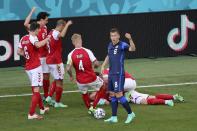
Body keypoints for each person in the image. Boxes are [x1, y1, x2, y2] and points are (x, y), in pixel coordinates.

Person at [101, 28, 136, 124]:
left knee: (119, 94)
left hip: (119, 74)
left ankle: (130, 114)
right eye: (112, 36)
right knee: (112, 95)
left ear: (118, 36)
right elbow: (108, 55)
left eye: (115, 35)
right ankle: (114, 117)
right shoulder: (109, 45)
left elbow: (132, 49)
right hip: (111, 74)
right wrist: (103, 65)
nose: (113, 37)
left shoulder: (122, 44)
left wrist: (130, 39)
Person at [66, 34, 106, 114]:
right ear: (81, 40)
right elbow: (97, 63)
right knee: (103, 86)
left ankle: (89, 108)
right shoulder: (87, 51)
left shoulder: (70, 54)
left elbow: (67, 68)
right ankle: (93, 106)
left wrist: (71, 76)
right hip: (91, 77)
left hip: (80, 80)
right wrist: (95, 66)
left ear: (73, 42)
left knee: (84, 93)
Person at [17, 22, 50, 120]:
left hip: (28, 67)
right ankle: (31, 114)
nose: (39, 31)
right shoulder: (33, 37)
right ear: (35, 29)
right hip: (36, 67)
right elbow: (39, 45)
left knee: (35, 89)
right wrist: (47, 39)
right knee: (36, 91)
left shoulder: (23, 38)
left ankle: (42, 108)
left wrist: (28, 56)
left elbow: (19, 51)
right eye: (38, 29)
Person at [24, 7, 51, 101]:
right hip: (38, 56)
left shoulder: (45, 27)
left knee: (46, 75)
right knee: (38, 78)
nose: (47, 22)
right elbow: (25, 23)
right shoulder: (34, 26)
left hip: (45, 55)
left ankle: (46, 96)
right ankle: (37, 96)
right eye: (46, 20)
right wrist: (31, 11)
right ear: (41, 19)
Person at [45, 20, 72, 108]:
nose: (63, 29)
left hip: (50, 60)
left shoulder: (50, 32)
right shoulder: (56, 33)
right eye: (63, 27)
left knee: (57, 79)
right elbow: (62, 35)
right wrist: (67, 25)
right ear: (61, 25)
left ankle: (49, 97)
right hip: (55, 61)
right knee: (60, 81)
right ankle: (57, 102)